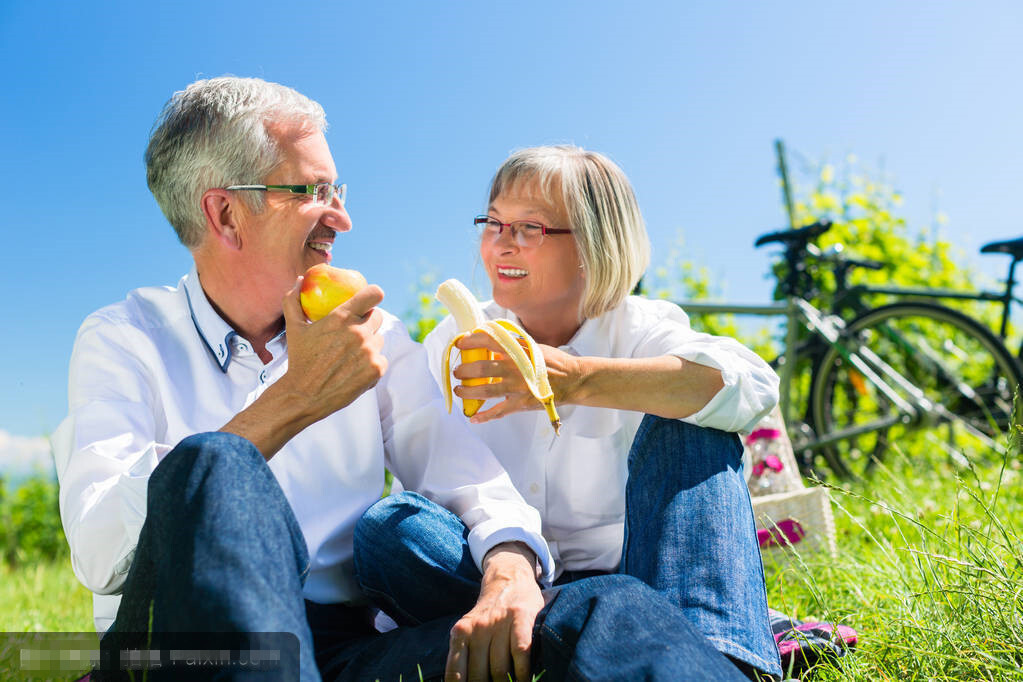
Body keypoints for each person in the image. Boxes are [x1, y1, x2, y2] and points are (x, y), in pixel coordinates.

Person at [53, 79, 753, 681]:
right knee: (213, 463)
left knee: (604, 606)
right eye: (312, 192)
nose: (343, 218)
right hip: (186, 644)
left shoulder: (377, 337)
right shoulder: (127, 338)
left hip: (344, 650)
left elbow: (464, 475)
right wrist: (293, 402)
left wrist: (509, 571)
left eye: (338, 190)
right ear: (226, 213)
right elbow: (102, 553)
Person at [364, 145, 785, 679]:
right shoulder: (453, 341)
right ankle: (621, 652)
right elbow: (435, 484)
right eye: (492, 223)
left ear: (594, 241)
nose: (500, 243)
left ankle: (715, 658)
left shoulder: (640, 327)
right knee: (390, 529)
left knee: (695, 427)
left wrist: (576, 379)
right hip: (498, 577)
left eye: (529, 228)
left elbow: (750, 386)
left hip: (642, 578)